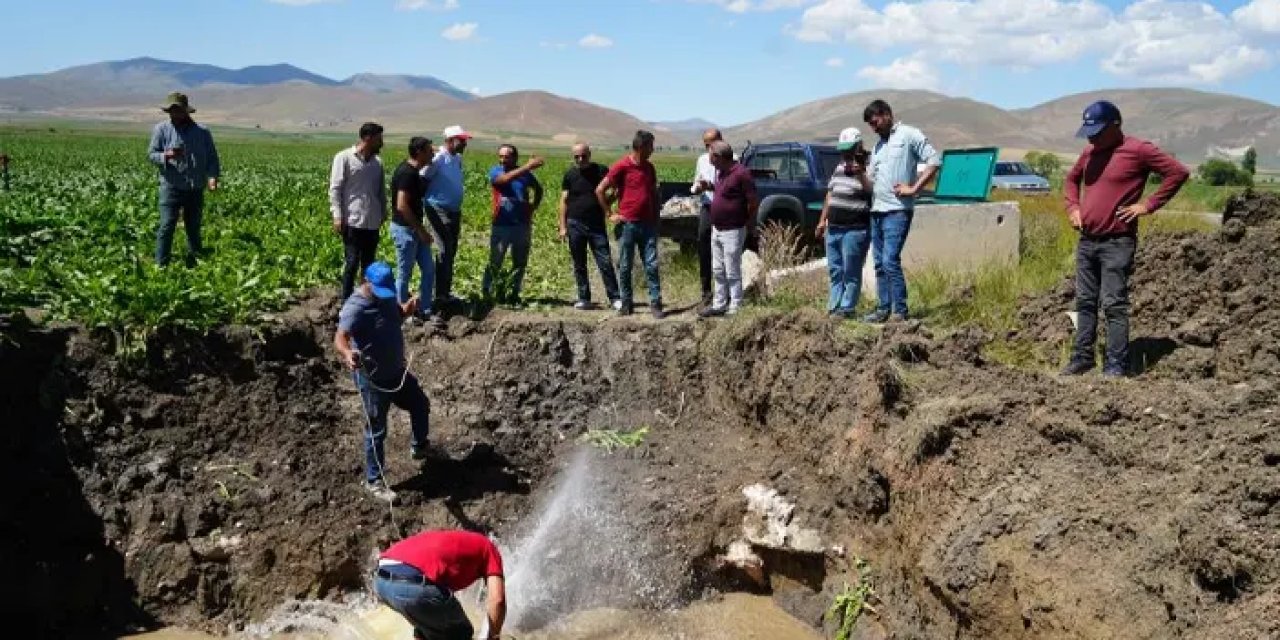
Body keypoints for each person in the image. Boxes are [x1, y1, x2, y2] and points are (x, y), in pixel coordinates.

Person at [1061, 100, 1189, 378]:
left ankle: (1115, 365)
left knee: (1113, 304)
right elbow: (1070, 180)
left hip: (1117, 242)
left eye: (1097, 132)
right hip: (1087, 241)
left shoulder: (1138, 150)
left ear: (1115, 125)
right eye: (1089, 132)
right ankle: (1082, 358)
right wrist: (1073, 208)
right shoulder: (1089, 153)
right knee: (1085, 301)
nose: (1092, 138)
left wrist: (1148, 205)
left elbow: (1178, 173)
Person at [334, 262, 431, 502]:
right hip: (373, 379)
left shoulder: (386, 297)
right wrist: (348, 353)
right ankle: (374, 480)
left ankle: (419, 447)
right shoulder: (355, 306)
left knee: (420, 404)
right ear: (366, 282)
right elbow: (340, 337)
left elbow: (395, 316)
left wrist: (407, 310)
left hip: (396, 372)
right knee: (376, 430)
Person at [863, 99, 941, 322]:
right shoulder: (877, 148)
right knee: (879, 263)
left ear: (887, 114)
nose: (873, 128)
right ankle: (883, 309)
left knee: (890, 260)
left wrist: (914, 189)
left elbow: (934, 160)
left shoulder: (908, 135)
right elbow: (871, 183)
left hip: (897, 211)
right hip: (877, 211)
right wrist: (859, 174)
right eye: (870, 125)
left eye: (875, 122)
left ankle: (900, 311)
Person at [373, 529, 507, 640]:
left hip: (381, 582)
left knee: (430, 630)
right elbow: (497, 600)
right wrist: (492, 637)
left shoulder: (452, 542)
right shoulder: (489, 549)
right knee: (461, 632)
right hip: (412, 583)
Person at [147, 92, 220, 267]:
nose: (175, 114)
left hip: (195, 186)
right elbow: (151, 155)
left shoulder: (202, 132)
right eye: (172, 110)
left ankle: (196, 259)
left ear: (186, 111)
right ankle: (160, 264)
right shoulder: (161, 130)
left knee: (193, 226)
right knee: (167, 225)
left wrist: (212, 177)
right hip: (171, 185)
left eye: (178, 110)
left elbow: (212, 157)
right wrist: (167, 155)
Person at [597, 130, 663, 319]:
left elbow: (653, 193)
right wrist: (610, 214)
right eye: (651, 146)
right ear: (641, 147)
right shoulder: (622, 166)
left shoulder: (649, 168)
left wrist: (656, 218)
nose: (653, 150)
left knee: (651, 265)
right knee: (625, 265)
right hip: (627, 224)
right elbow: (600, 190)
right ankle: (626, 303)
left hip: (648, 224)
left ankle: (656, 302)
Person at [816, 128, 874, 318]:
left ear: (859, 146)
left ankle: (847, 308)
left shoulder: (869, 165)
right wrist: (822, 221)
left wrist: (861, 173)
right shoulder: (840, 167)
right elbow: (830, 194)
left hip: (855, 228)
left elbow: (871, 191)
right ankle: (834, 306)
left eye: (849, 149)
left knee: (851, 270)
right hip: (834, 227)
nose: (846, 153)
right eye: (843, 149)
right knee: (835, 270)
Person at [558, 143, 621, 310]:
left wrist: (606, 204)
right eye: (576, 157)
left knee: (605, 262)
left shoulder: (601, 170)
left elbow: (616, 189)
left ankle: (615, 298)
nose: (580, 159)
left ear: (589, 155)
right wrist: (562, 226)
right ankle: (584, 298)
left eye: (583, 156)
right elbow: (564, 201)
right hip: (574, 223)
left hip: (596, 224)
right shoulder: (570, 174)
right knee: (579, 263)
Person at [330, 122, 388, 301]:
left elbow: (380, 191)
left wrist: (383, 211)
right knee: (352, 262)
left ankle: (364, 300)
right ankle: (346, 301)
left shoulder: (377, 163)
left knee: (369, 265)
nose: (382, 143)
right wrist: (337, 216)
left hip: (372, 221)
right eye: (379, 139)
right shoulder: (344, 158)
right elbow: (335, 189)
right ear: (367, 138)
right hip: (352, 220)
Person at [698, 140, 756, 317]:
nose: (709, 159)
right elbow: (723, 191)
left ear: (718, 157)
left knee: (732, 269)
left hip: (733, 229)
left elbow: (753, 201)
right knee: (718, 268)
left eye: (710, 156)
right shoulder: (721, 172)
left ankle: (735, 306)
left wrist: (745, 221)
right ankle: (719, 303)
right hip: (717, 228)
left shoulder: (742, 174)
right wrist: (709, 186)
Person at [482, 144, 544, 304]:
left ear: (515, 158)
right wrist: (527, 167)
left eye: (507, 157)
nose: (503, 160)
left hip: (522, 224)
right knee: (496, 260)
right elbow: (503, 180)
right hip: (501, 223)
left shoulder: (525, 174)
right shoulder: (496, 171)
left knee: (520, 262)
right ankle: (487, 292)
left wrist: (533, 206)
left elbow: (538, 189)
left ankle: (514, 292)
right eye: (501, 156)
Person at [421, 125, 472, 309]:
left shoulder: (457, 159)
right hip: (438, 209)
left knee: (451, 250)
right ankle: (440, 295)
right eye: (461, 140)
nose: (465, 144)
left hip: (454, 211)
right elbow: (423, 179)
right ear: (450, 141)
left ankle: (445, 292)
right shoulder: (438, 159)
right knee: (444, 250)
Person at [390, 137, 437, 323]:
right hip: (406, 230)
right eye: (429, 151)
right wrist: (421, 231)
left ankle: (425, 309)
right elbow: (401, 205)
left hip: (414, 230)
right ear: (419, 152)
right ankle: (400, 312)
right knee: (404, 273)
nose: (432, 154)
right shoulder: (406, 173)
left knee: (428, 269)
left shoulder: (414, 172)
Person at [691, 128, 723, 305]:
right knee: (704, 245)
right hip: (707, 206)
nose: (708, 148)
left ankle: (723, 290)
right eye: (706, 145)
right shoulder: (702, 160)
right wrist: (697, 188)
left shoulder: (732, 158)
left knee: (723, 248)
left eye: (711, 144)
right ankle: (706, 290)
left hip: (724, 208)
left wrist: (711, 186)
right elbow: (696, 182)